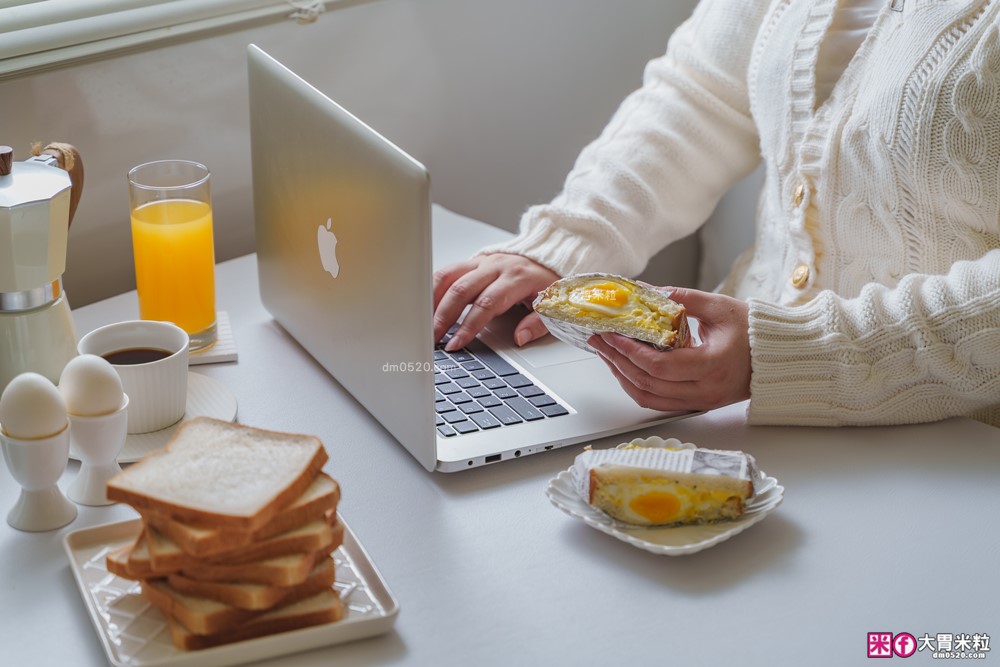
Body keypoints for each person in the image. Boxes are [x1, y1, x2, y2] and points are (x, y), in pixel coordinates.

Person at [433, 0, 1000, 428]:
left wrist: (793, 355)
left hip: (956, 445)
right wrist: (569, 242)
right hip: (729, 404)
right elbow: (702, 94)